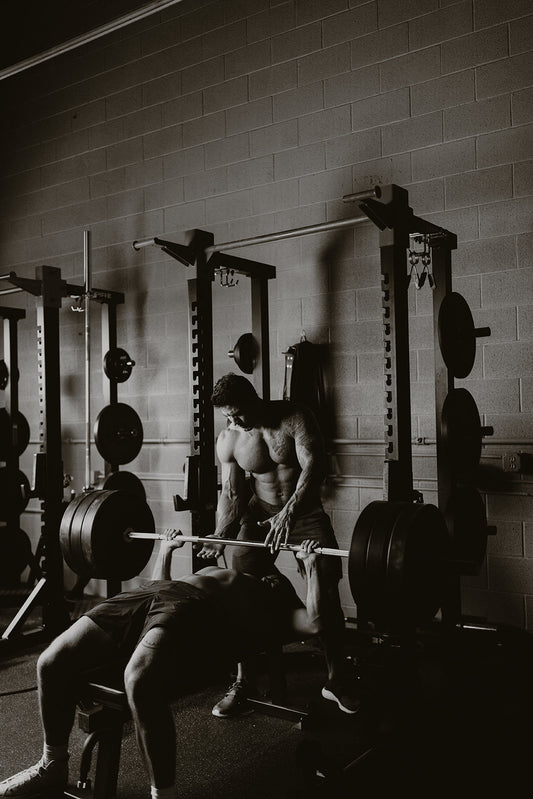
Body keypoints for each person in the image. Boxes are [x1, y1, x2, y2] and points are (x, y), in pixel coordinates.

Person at [0, 533, 324, 799]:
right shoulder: (239, 575)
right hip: (154, 593)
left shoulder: (276, 607)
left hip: (194, 607)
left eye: (278, 580)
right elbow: (160, 585)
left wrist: (311, 567)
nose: (272, 576)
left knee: (138, 678)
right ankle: (51, 765)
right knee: (51, 660)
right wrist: (166, 550)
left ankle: (162, 794)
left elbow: (314, 623)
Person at [198, 373, 360, 718]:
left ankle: (337, 678)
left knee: (326, 589)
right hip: (259, 516)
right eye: (227, 416)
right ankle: (244, 680)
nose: (233, 421)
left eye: (238, 413)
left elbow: (314, 466)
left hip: (303, 513)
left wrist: (290, 511)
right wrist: (220, 531)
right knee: (238, 590)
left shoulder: (294, 418)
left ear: (253, 399)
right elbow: (232, 492)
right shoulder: (230, 438)